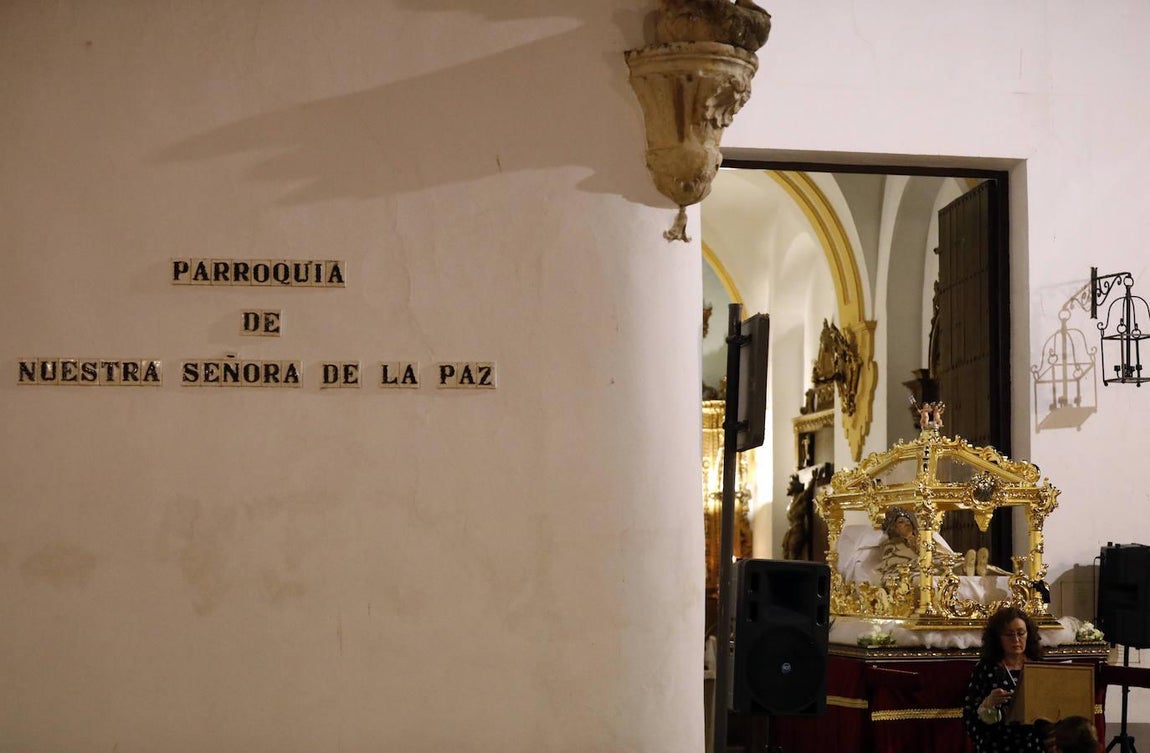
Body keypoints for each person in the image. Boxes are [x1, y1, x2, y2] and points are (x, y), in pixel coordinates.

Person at [962, 606, 1046, 752]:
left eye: (1021, 633)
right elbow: (970, 715)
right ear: (997, 638)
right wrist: (988, 704)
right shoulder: (986, 668)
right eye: (1009, 634)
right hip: (998, 744)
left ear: (1029, 634)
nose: (1016, 640)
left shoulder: (1037, 666)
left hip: (1033, 745)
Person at [877, 507, 919, 590]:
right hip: (905, 571)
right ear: (895, 527)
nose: (907, 524)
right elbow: (891, 562)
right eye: (901, 522)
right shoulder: (890, 544)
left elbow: (938, 554)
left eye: (908, 521)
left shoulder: (923, 540)